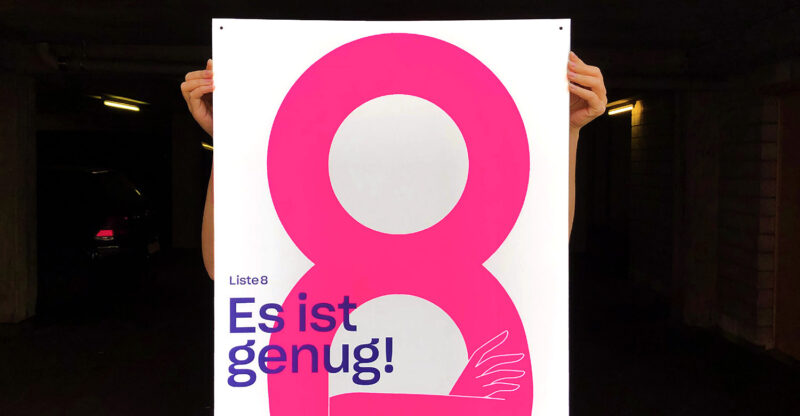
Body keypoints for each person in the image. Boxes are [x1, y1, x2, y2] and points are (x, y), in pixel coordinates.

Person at [181, 52, 608, 280]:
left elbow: (541, 255)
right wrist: (229, 140)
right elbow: (224, 267)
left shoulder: (462, 242)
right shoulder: (318, 233)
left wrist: (567, 133)